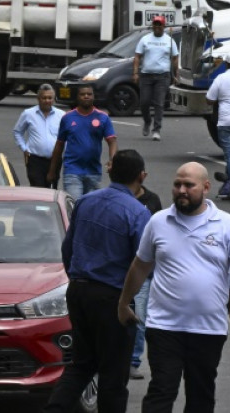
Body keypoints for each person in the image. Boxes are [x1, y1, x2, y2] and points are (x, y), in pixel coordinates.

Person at [117, 162, 230, 413]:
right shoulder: (158, 222)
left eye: (189, 185)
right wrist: (124, 302)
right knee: (161, 390)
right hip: (164, 326)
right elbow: (140, 266)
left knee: (201, 396)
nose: (182, 190)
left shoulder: (227, 224)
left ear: (206, 187)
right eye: (177, 184)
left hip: (208, 328)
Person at [43, 150, 152, 413]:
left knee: (81, 364)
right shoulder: (138, 213)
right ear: (142, 176)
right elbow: (143, 263)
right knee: (114, 373)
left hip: (79, 291)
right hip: (112, 298)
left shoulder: (85, 201)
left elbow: (68, 249)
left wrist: (77, 279)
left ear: (110, 171)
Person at [47, 84, 118, 200]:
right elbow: (59, 145)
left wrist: (112, 160)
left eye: (89, 94)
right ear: (77, 97)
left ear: (93, 96)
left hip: (94, 172)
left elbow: (112, 141)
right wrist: (52, 171)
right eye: (82, 94)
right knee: (75, 204)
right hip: (72, 171)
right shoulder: (67, 118)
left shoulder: (103, 117)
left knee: (91, 206)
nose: (86, 96)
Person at [131, 181, 163, 381]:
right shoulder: (120, 200)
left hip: (146, 271)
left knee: (140, 317)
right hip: (121, 269)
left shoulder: (152, 200)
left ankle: (133, 361)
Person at [133, 15, 179, 141]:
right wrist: (135, 73)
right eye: (155, 24)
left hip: (162, 76)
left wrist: (176, 74)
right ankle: (147, 121)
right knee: (144, 103)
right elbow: (137, 56)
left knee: (159, 103)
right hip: (146, 76)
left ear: (164, 26)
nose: (157, 27)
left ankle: (156, 129)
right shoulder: (145, 39)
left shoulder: (169, 40)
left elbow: (175, 58)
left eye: (160, 25)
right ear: (152, 26)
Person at [13, 84, 62, 187]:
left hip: (55, 160)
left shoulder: (61, 115)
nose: (47, 100)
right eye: (44, 98)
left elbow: (67, 136)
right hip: (35, 160)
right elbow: (17, 132)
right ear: (38, 99)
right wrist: (24, 148)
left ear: (54, 99)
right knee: (37, 187)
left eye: (50, 98)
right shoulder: (28, 114)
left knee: (52, 190)